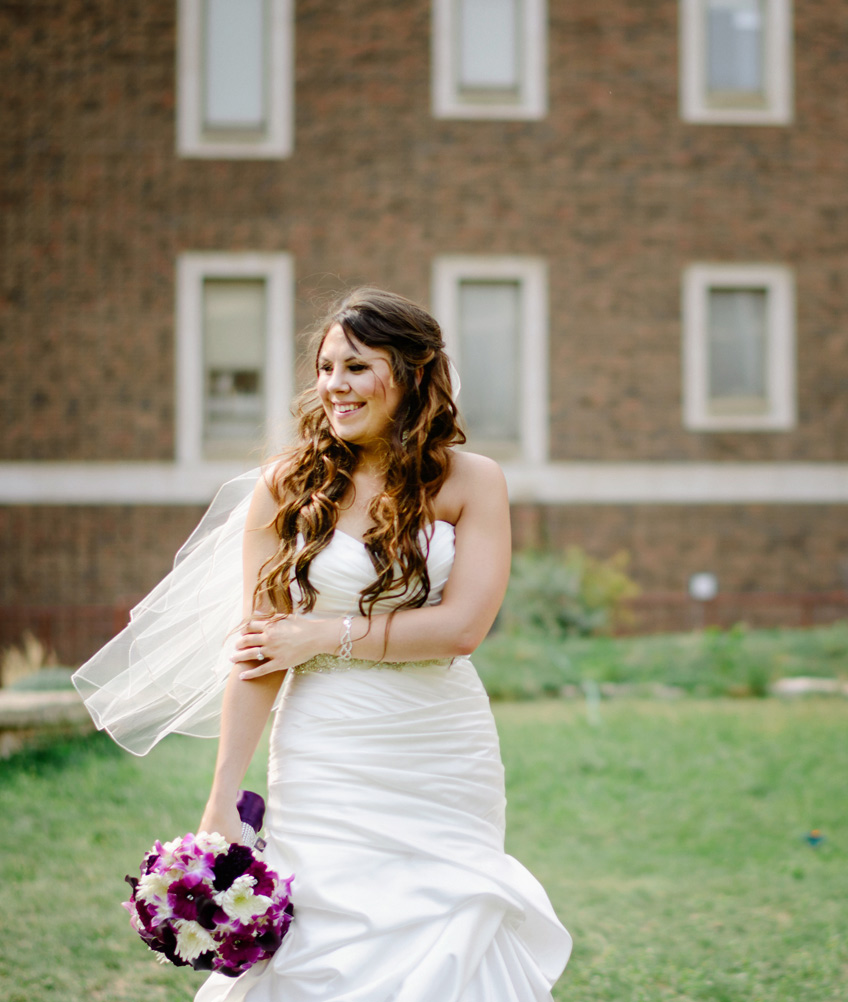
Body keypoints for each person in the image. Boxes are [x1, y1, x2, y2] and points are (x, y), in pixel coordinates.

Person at [80, 288, 571, 1001]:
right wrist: (221, 801)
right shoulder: (287, 486)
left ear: (411, 373)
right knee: (325, 933)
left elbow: (462, 628)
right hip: (324, 749)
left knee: (450, 921)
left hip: (439, 748)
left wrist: (319, 633)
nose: (335, 385)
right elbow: (254, 654)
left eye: (357, 367)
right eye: (326, 367)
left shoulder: (473, 482)